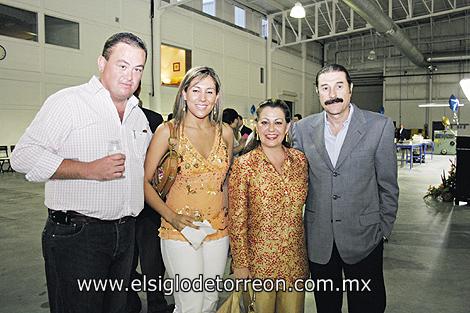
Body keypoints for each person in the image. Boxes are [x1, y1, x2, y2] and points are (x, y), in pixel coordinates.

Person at [10, 32, 151, 313]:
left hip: (125, 236)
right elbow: (22, 157)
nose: (130, 76)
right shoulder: (69, 102)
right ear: (102, 62)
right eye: (122, 65)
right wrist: (88, 170)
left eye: (137, 69)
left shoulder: (138, 115)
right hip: (78, 236)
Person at [290, 64, 399, 313]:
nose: (333, 93)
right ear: (317, 92)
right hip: (320, 240)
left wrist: (384, 228)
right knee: (327, 307)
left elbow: (388, 184)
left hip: (365, 238)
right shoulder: (303, 129)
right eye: (325, 88)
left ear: (351, 89)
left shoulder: (379, 126)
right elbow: (296, 180)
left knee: (367, 306)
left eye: (339, 86)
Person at [143, 66, 233, 313]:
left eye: (209, 91)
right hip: (180, 230)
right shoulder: (167, 132)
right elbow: (143, 182)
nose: (202, 98)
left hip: (218, 230)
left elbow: (225, 179)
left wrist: (228, 213)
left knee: (210, 301)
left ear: (217, 97)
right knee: (190, 305)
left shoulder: (225, 132)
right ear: (184, 94)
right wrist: (172, 217)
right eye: (196, 90)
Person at [228, 99, 309, 313]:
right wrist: (241, 264)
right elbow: (236, 220)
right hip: (258, 264)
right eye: (265, 123)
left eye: (278, 123)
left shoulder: (300, 161)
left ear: (288, 126)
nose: (271, 129)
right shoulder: (244, 165)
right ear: (256, 125)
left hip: (294, 262)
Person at [127, 83, 173, 313]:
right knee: (128, 258)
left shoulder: (153, 119)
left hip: (150, 201)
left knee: (152, 259)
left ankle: (155, 303)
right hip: (120, 204)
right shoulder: (109, 118)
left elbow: (165, 161)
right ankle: (134, 302)